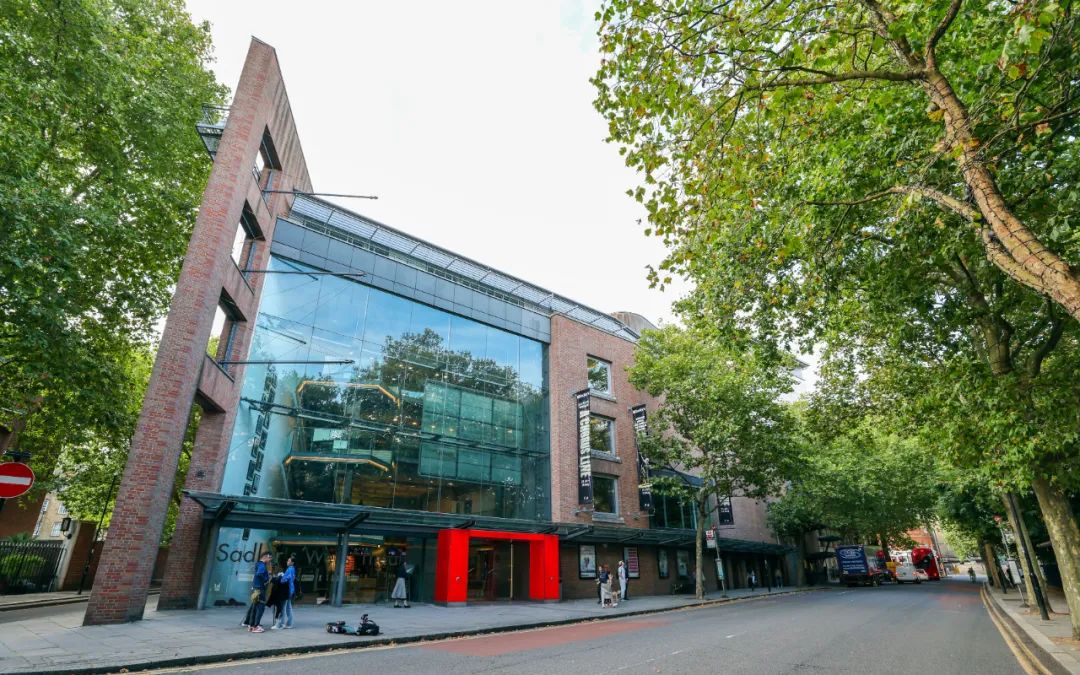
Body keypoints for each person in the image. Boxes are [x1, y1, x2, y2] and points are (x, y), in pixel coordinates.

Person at [243, 552, 272, 633]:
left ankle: (251, 626)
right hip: (260, 589)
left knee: (255, 607)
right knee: (260, 608)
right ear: (265, 557)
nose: (270, 560)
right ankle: (255, 626)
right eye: (269, 558)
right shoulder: (262, 565)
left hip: (256, 588)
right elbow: (259, 573)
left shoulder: (258, 564)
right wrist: (266, 579)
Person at [272, 556, 296, 629]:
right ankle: (289, 624)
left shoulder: (290, 569)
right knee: (288, 607)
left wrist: (281, 576)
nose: (287, 562)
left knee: (282, 607)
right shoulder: (293, 569)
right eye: (287, 561)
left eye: (289, 561)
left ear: (292, 562)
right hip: (290, 590)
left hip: (286, 590)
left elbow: (284, 580)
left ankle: (281, 624)